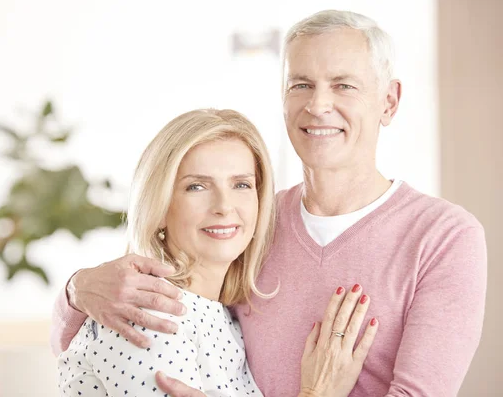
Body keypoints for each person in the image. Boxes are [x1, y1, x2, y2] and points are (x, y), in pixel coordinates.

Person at [52, 10, 488, 397]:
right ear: (283, 99)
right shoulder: (249, 224)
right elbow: (87, 356)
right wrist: (75, 292)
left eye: (343, 85)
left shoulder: (444, 237)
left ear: (388, 101)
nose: (318, 105)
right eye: (301, 84)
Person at [56, 108, 378, 397]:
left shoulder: (223, 317)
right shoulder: (150, 314)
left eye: (241, 184)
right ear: (161, 206)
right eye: (197, 186)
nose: (224, 207)